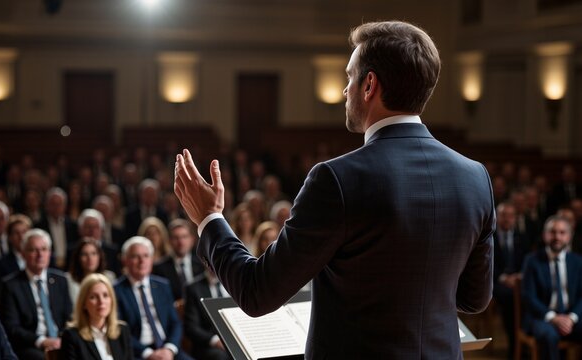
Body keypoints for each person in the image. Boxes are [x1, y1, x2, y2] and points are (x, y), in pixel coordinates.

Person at [173, 21, 495, 358]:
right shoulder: (475, 177)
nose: (344, 91)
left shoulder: (337, 179)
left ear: (369, 84)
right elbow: (474, 299)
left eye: (349, 77)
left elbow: (257, 293)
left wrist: (210, 219)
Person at [0, 228, 73, 360]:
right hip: (31, 346)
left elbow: (69, 317)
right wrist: (42, 341)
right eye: (33, 250)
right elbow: (11, 327)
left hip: (61, 342)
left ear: (50, 253)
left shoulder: (61, 280)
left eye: (44, 249)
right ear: (23, 254)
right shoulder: (11, 285)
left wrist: (61, 339)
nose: (40, 255)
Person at [114, 236, 192, 360]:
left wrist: (170, 348)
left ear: (151, 259)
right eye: (135, 256)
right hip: (138, 353)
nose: (142, 261)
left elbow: (175, 322)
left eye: (146, 256)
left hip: (167, 350)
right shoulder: (116, 290)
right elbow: (118, 331)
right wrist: (148, 353)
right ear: (125, 261)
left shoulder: (162, 285)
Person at [521, 216, 582, 360]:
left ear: (569, 236)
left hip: (570, 316)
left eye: (562, 232)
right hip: (542, 317)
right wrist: (553, 317)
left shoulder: (577, 261)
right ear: (545, 235)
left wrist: (571, 318)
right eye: (552, 232)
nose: (557, 237)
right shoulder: (532, 261)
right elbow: (528, 297)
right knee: (549, 336)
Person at [61, 273, 133, 360]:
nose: (101, 302)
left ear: (112, 300)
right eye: (93, 297)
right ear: (83, 303)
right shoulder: (71, 336)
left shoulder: (122, 330)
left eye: (105, 295)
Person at [492, 202, 528, 359]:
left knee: (527, 295)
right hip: (496, 282)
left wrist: (519, 276)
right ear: (496, 217)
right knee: (510, 298)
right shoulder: (488, 238)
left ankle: (521, 342)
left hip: (518, 281)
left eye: (511, 216)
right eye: (503, 215)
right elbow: (484, 265)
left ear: (515, 218)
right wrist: (504, 278)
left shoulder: (521, 237)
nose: (507, 219)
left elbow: (527, 262)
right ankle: (515, 345)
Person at [153, 219, 205, 301]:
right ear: (169, 241)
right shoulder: (159, 268)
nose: (181, 242)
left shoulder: (203, 265)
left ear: (192, 239)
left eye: (184, 237)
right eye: (176, 238)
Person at [184, 270, 229, 360]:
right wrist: (215, 340)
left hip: (234, 341)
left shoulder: (234, 284)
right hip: (207, 344)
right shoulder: (193, 288)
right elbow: (191, 327)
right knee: (221, 357)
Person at [66, 238, 116, 303]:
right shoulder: (68, 279)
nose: (90, 258)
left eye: (94, 253)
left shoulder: (110, 277)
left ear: (99, 256)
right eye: (84, 254)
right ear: (78, 258)